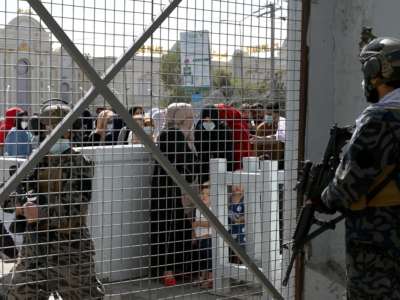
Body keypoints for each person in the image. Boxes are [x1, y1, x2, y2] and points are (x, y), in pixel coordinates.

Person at [317, 37, 400, 299]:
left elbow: (348, 186)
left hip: (380, 246)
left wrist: (322, 198)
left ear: (375, 71)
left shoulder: (380, 119)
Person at [2, 102, 104, 299]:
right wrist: (22, 208)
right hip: (35, 252)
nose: (51, 133)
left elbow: (73, 213)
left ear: (70, 133)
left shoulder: (78, 163)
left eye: (57, 129)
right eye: (47, 128)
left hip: (69, 253)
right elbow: (5, 197)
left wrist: (41, 213)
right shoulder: (35, 161)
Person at [150, 103, 199, 286]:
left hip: (168, 188)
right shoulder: (173, 135)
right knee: (169, 229)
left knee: (177, 228)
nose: (192, 119)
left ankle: (174, 269)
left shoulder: (172, 134)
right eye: (189, 116)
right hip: (167, 190)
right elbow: (187, 164)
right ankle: (167, 270)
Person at [194, 105, 234, 184]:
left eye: (210, 120)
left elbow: (228, 151)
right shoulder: (199, 128)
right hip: (204, 168)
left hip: (221, 167)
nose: (207, 122)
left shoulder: (223, 129)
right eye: (205, 120)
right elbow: (197, 147)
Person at [215, 103, 253, 170]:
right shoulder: (239, 122)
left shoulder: (236, 126)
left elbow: (238, 149)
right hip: (244, 160)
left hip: (238, 162)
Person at [192, 182, 212, 289]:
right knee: (202, 259)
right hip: (200, 238)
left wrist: (198, 223)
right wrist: (194, 235)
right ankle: (202, 277)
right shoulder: (198, 208)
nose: (204, 196)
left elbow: (211, 223)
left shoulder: (212, 209)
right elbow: (194, 224)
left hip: (208, 238)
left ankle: (210, 279)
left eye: (208, 195)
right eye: (203, 193)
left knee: (209, 259)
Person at [228, 185, 246, 264]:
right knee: (232, 249)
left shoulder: (245, 199)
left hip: (242, 230)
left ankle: (241, 264)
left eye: (240, 184)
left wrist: (239, 219)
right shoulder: (228, 198)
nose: (237, 186)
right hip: (230, 229)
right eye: (235, 184)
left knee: (241, 249)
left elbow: (249, 215)